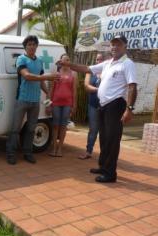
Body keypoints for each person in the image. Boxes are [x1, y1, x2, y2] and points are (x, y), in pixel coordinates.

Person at [57, 34, 137, 183]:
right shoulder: (108, 63)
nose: (114, 47)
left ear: (125, 46)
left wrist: (129, 109)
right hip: (103, 105)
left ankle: (110, 174)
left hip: (116, 105)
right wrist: (67, 65)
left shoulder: (127, 64)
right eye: (113, 44)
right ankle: (103, 167)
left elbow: (132, 86)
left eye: (118, 44)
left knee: (112, 140)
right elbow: (86, 68)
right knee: (104, 138)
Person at [6, 35, 59, 165]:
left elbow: (41, 80)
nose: (32, 46)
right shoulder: (21, 59)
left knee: (31, 129)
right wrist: (48, 76)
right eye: (29, 44)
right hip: (22, 99)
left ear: (36, 46)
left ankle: (28, 153)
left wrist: (48, 93)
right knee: (15, 129)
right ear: (25, 47)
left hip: (35, 101)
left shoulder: (39, 61)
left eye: (34, 44)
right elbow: (27, 76)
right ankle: (11, 154)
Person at [49, 54, 78, 157]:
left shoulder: (73, 74)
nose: (66, 61)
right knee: (55, 125)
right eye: (64, 60)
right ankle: (53, 148)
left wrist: (74, 105)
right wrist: (49, 104)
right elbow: (51, 90)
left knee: (63, 126)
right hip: (56, 103)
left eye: (68, 59)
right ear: (60, 61)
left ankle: (60, 148)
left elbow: (74, 91)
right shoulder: (56, 73)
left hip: (67, 104)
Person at [79, 53, 104, 160]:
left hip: (105, 106)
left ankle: (104, 155)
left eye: (101, 59)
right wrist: (100, 90)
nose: (99, 61)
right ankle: (88, 151)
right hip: (93, 105)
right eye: (97, 59)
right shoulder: (91, 71)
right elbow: (87, 86)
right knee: (93, 129)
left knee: (105, 131)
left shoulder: (108, 71)